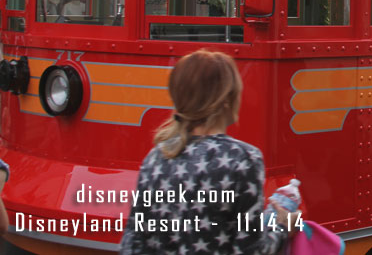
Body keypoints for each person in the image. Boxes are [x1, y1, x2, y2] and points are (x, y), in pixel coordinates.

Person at [121, 50, 299, 254]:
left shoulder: (155, 158)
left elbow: (132, 242)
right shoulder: (244, 159)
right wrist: (283, 227)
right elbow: (252, 249)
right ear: (225, 100)